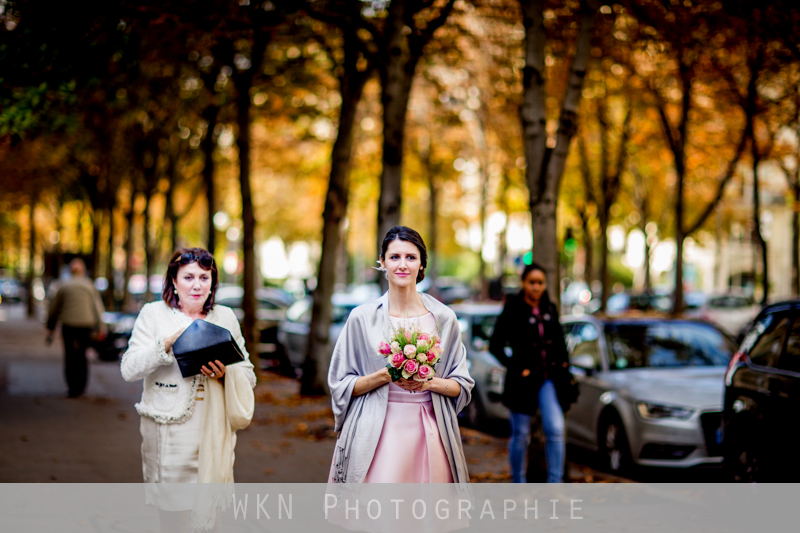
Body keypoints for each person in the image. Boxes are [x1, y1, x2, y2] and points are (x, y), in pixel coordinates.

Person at [120, 248, 255, 531]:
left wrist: (224, 374)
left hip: (212, 431)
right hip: (168, 434)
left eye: (204, 278)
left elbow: (248, 374)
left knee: (210, 517)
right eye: (189, 277)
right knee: (174, 517)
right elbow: (129, 369)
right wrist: (166, 345)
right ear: (174, 280)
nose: (197, 285)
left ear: (212, 283)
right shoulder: (153, 314)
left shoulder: (225, 316)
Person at [327, 226, 474, 483]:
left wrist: (428, 382)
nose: (402, 265)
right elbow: (339, 384)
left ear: (421, 264)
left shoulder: (444, 318)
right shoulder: (361, 318)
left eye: (411, 257)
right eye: (394, 257)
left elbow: (462, 386)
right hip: (376, 431)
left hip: (429, 430)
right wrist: (386, 375)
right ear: (382, 262)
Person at [489, 262, 574, 483]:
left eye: (540, 283)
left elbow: (560, 343)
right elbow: (495, 345)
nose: (536, 287)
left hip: (549, 380)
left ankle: (555, 486)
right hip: (522, 382)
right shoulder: (513, 308)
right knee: (521, 435)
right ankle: (518, 483)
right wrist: (516, 367)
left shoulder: (549, 307)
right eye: (532, 282)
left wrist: (564, 365)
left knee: (555, 430)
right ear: (523, 283)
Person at [46, 258, 106, 398]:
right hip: (86, 325)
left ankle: (72, 387)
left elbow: (54, 308)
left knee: (69, 355)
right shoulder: (89, 286)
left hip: (68, 325)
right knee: (82, 354)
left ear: (70, 271)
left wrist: (51, 325)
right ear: (83, 271)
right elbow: (97, 308)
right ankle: (81, 386)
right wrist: (101, 328)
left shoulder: (63, 286)